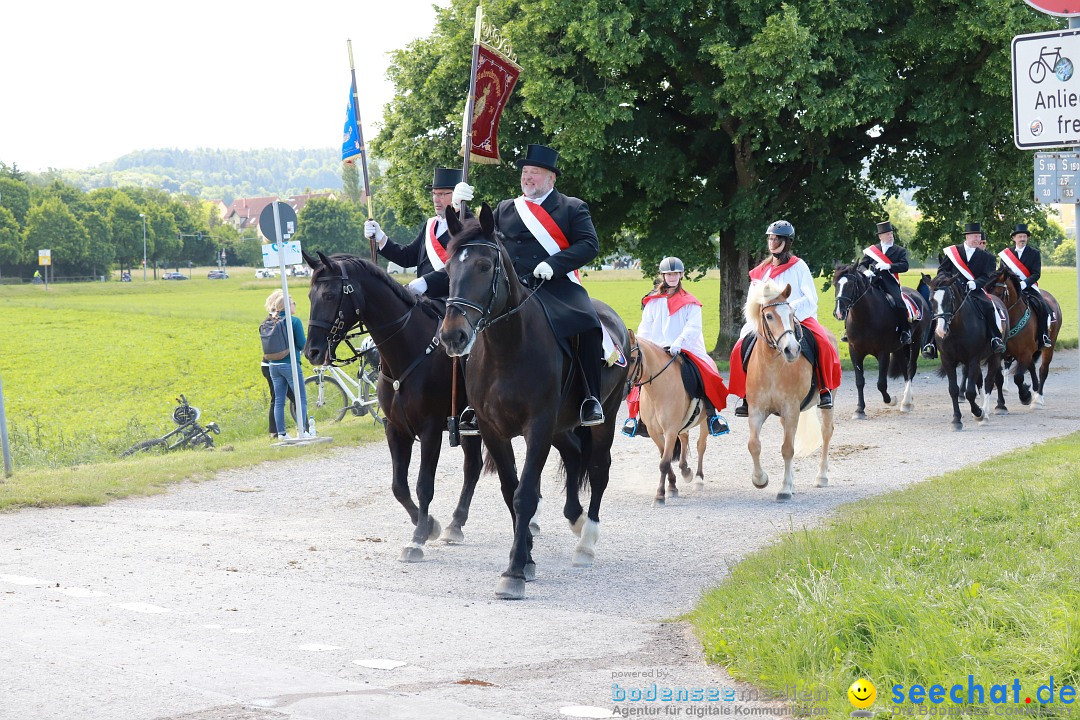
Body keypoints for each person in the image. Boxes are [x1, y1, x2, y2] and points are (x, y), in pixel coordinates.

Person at [451, 144, 606, 433]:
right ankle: (473, 404)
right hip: (512, 288)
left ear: (551, 179)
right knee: (470, 327)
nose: (528, 177)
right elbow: (479, 239)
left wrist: (555, 264)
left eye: (535, 172)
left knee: (587, 322)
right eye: (525, 172)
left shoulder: (572, 207)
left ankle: (590, 397)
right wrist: (461, 208)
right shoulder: (506, 208)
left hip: (557, 286)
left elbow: (589, 244)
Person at [727, 220, 842, 418]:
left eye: (777, 239)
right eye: (770, 238)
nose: (772, 242)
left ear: (787, 242)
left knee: (823, 342)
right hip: (768, 321)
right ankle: (747, 395)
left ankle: (824, 390)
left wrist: (790, 309)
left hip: (798, 316)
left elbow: (811, 298)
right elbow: (752, 298)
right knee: (739, 346)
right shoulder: (762, 271)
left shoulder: (799, 266)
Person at [623, 256, 730, 437]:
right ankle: (636, 418)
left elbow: (693, 327)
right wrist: (642, 344)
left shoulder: (691, 302)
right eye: (668, 274)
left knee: (704, 373)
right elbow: (646, 326)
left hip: (684, 348)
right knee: (638, 375)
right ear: (663, 275)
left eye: (675, 273)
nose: (672, 277)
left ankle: (712, 416)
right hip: (656, 348)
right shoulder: (653, 301)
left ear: (681, 275)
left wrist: (679, 342)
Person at [364, 167, 462, 300]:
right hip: (426, 300)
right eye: (434, 194)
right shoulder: (431, 224)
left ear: (457, 195)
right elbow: (408, 257)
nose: (436, 199)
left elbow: (461, 267)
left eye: (442, 194)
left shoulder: (467, 225)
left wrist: (426, 282)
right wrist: (381, 238)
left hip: (454, 302)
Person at [923, 221, 1005, 359]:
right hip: (953, 290)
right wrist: (947, 281)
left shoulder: (988, 257)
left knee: (989, 306)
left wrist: (976, 283)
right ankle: (930, 344)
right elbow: (942, 270)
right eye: (974, 236)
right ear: (967, 237)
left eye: (979, 236)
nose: (977, 239)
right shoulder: (953, 252)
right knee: (939, 310)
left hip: (975, 290)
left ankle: (995, 339)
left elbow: (988, 275)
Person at [857, 220, 913, 345]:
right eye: (887, 234)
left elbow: (905, 266)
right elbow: (861, 266)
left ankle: (905, 331)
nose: (890, 236)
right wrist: (865, 272)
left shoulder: (899, 250)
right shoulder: (872, 250)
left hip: (890, 283)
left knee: (899, 302)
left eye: (891, 233)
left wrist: (889, 266)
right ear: (880, 236)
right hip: (872, 282)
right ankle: (849, 331)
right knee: (856, 300)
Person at [265, 290, 310, 439]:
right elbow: (303, 344)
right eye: (292, 303)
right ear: (286, 306)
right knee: (300, 398)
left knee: (279, 400)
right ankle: (302, 431)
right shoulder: (294, 321)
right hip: (290, 364)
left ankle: (282, 434)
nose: (294, 305)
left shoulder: (271, 321)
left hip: (273, 365)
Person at [998, 223, 1052, 348]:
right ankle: (996, 337)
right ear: (1014, 238)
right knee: (996, 307)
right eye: (1020, 236)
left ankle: (1043, 335)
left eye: (1024, 236)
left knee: (1042, 306)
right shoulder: (1006, 255)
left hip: (1028, 287)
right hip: (1010, 289)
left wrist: (1024, 283)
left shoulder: (1034, 253)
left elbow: (1036, 274)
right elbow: (1001, 273)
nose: (1022, 239)